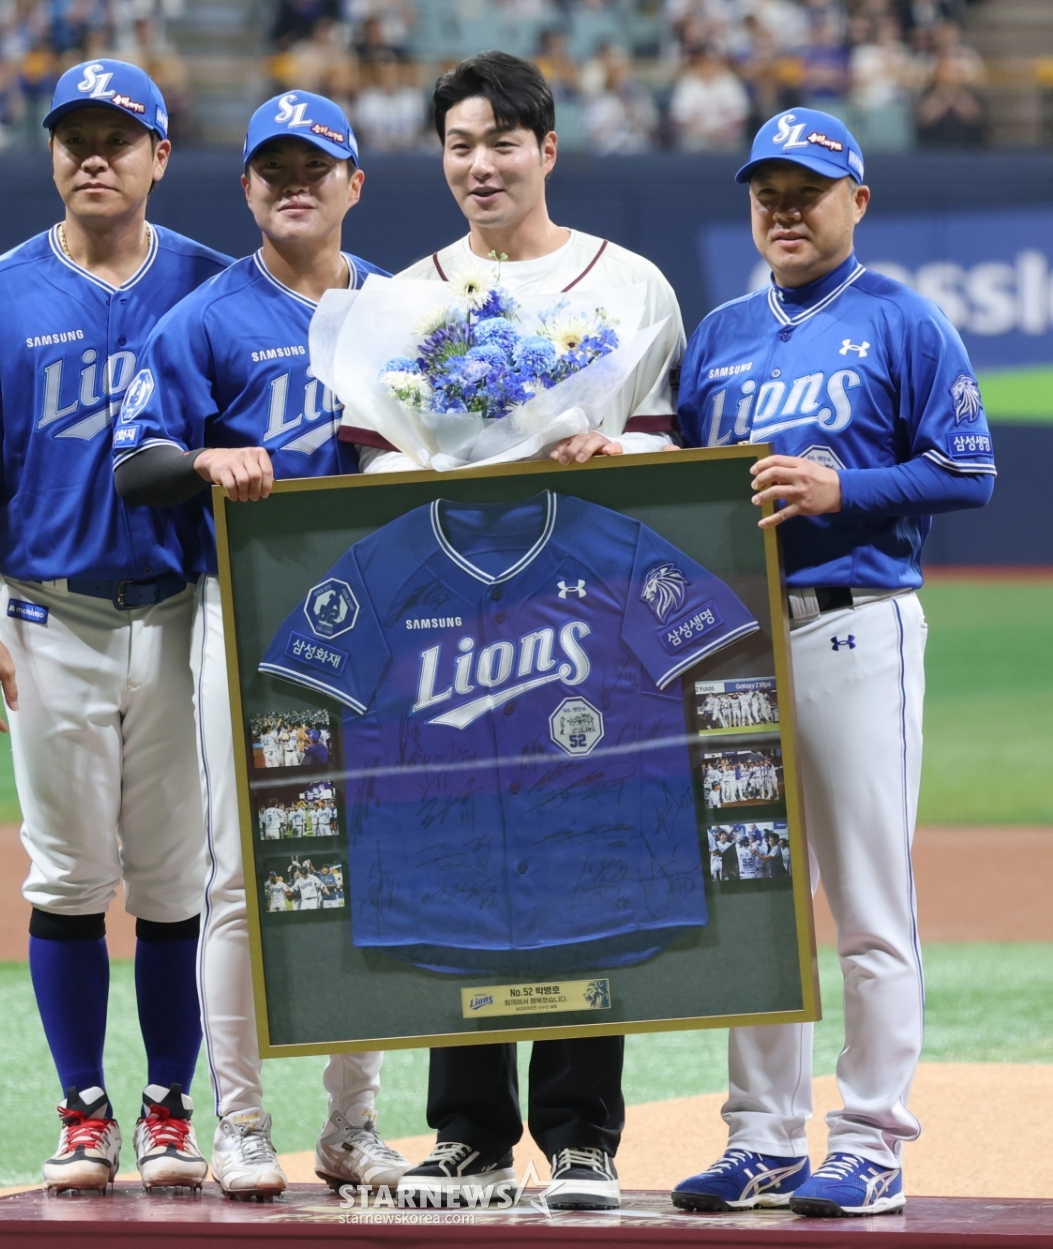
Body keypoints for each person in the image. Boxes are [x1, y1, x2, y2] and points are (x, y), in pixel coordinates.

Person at [337, 51, 686, 1214]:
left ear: (547, 148)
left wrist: (613, 452)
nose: (479, 164)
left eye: (500, 142)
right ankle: (469, 1135)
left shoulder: (628, 284)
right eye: (458, 145)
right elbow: (367, 457)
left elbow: (666, 439)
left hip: (585, 618)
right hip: (448, 621)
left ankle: (583, 1136)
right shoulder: (404, 297)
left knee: (585, 855)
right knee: (453, 856)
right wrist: (423, 470)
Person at [0, 60, 234, 1192]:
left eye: (117, 138)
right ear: (51, 154)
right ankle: (84, 1109)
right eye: (75, 138)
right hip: (49, 616)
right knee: (65, 877)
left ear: (159, 157)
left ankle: (170, 1109)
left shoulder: (209, 285)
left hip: (183, 614)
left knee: (175, 883)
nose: (94, 156)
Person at [671, 107, 994, 1218]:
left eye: (806, 191)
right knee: (755, 897)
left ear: (856, 200)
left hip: (856, 622)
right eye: (768, 192)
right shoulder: (720, 333)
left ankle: (869, 1139)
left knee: (866, 901)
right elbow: (682, 476)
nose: (784, 209)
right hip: (737, 641)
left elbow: (968, 471)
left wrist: (842, 487)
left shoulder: (904, 320)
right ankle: (762, 1136)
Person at [111, 89, 408, 1201]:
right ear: (246, 187)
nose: (295, 183)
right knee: (239, 873)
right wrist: (203, 459)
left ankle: (351, 1123)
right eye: (274, 167)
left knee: (370, 870)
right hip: (245, 613)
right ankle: (240, 1123)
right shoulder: (204, 320)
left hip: (387, 624)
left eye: (315, 166)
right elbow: (133, 464)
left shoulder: (404, 309)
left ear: (352, 184)